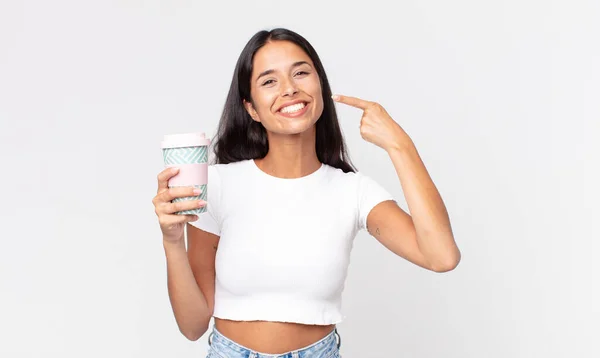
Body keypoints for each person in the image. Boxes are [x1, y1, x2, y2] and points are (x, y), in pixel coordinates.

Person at [152, 28, 461, 358]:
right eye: (269, 81)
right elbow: (193, 325)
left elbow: (441, 257)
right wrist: (172, 240)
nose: (289, 88)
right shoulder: (216, 186)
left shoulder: (352, 192)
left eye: (300, 72)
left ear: (321, 88)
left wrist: (400, 146)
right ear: (251, 108)